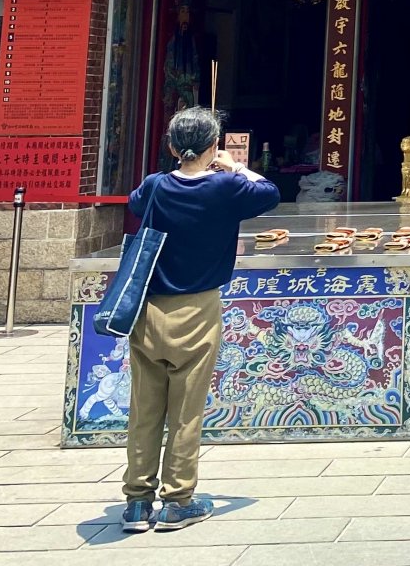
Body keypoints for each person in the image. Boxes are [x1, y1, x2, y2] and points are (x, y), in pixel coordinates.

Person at [120, 106, 280, 533]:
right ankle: (177, 500)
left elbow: (135, 203)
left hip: (148, 309)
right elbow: (269, 192)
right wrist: (234, 166)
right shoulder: (226, 187)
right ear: (213, 146)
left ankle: (137, 502)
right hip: (198, 309)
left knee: (145, 410)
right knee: (186, 411)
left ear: (173, 147)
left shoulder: (155, 185)